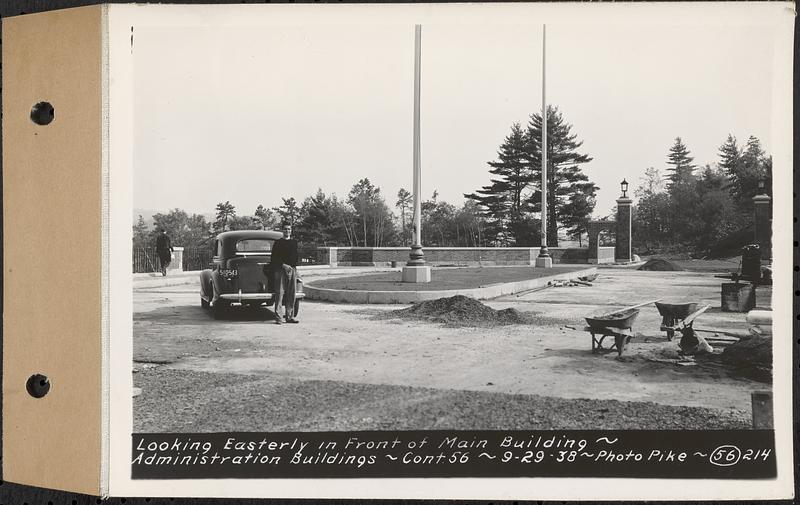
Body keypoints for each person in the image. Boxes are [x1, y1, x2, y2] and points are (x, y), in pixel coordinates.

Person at [268, 222, 299, 324]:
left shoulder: (294, 242)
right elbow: (274, 258)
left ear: (291, 230)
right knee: (279, 293)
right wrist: (284, 265)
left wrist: (292, 267)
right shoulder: (278, 243)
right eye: (285, 229)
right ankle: (278, 317)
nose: (287, 231)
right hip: (280, 270)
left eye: (289, 229)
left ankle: (290, 316)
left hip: (292, 270)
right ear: (282, 230)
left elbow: (296, 257)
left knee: (291, 294)